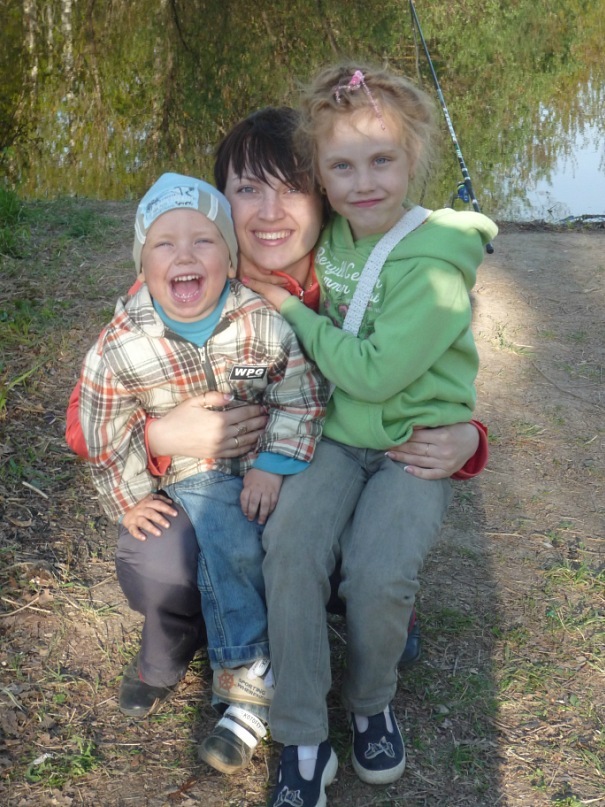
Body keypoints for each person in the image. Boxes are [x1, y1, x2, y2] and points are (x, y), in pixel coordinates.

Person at [65, 107, 488, 757]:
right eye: (246, 189)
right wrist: (160, 436)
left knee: (344, 534)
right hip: (212, 482)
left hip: (319, 469)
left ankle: (367, 610)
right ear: (220, 202)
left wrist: (470, 438)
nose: (269, 212)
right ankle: (185, 630)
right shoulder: (187, 270)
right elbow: (86, 416)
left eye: (291, 188)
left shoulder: (359, 275)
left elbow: (426, 370)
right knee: (158, 556)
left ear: (322, 197)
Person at [241, 65, 498, 806]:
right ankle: (300, 733)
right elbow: (240, 241)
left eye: (382, 160)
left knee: (379, 575)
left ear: (413, 160)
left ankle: (370, 700)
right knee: (291, 550)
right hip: (334, 435)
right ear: (319, 176)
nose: (363, 183)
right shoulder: (330, 237)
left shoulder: (436, 262)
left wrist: (291, 311)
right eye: (342, 166)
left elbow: (376, 374)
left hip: (414, 446)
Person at [77, 173, 327, 773]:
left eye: (204, 241)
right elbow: (99, 430)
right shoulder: (120, 345)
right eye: (164, 244)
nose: (184, 256)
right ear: (142, 262)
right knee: (218, 525)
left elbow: (301, 399)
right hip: (186, 479)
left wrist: (272, 466)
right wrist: (131, 496)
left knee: (276, 533)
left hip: (266, 468)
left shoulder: (261, 322)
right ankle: (247, 668)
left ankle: (263, 666)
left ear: (230, 257)